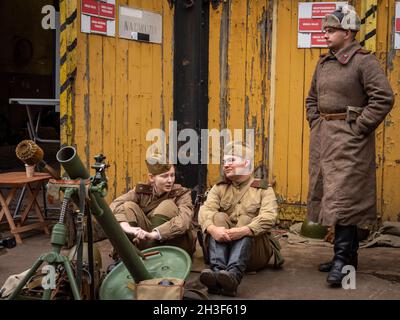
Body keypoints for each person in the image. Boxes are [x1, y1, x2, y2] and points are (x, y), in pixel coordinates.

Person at [306, 5, 394, 286]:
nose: (325, 34)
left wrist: (358, 127)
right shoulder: (323, 63)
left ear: (348, 32)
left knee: (344, 199)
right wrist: (315, 122)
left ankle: (343, 261)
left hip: (350, 141)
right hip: (324, 139)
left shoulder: (363, 61)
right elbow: (311, 100)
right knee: (330, 196)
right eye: (325, 30)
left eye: (331, 30)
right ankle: (345, 256)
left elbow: (383, 97)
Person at [198, 141, 283, 296]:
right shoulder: (219, 187)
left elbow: (269, 217)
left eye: (231, 160)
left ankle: (233, 275)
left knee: (246, 220)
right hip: (223, 248)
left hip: (254, 254)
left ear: (246, 163)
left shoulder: (263, 189)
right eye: (224, 161)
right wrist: (212, 229)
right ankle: (218, 274)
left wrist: (244, 230)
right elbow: (205, 211)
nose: (226, 165)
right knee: (218, 217)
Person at [109, 153, 196, 257]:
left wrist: (154, 234)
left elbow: (183, 222)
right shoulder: (142, 191)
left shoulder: (182, 194)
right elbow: (114, 205)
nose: (170, 180)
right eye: (164, 176)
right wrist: (129, 228)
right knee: (128, 206)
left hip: (175, 243)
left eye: (172, 175)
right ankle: (135, 252)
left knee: (167, 205)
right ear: (151, 177)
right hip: (143, 239)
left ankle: (141, 254)